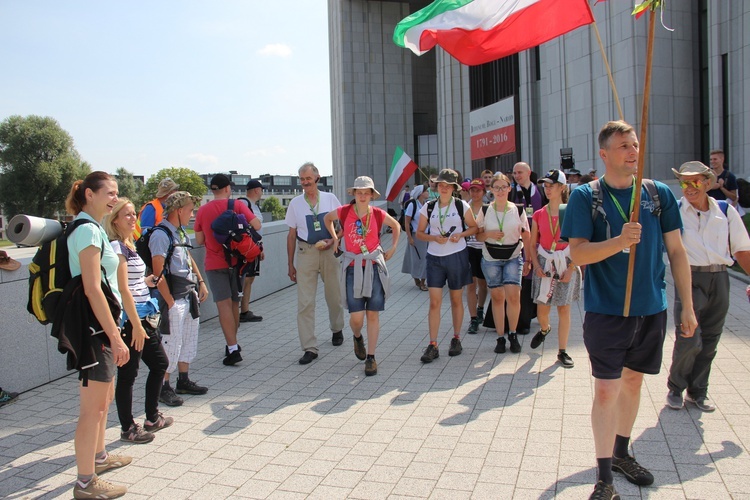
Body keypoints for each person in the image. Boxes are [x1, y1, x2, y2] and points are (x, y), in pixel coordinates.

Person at [561, 120, 697, 500]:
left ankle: (622, 453)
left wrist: (686, 306)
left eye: (634, 144)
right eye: (623, 146)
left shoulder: (656, 194)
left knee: (634, 383)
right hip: (607, 311)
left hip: (651, 308)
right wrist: (619, 240)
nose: (632, 151)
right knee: (607, 390)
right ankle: (604, 477)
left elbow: (677, 251)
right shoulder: (585, 197)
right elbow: (578, 253)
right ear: (604, 154)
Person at [65, 171, 131, 499]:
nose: (114, 198)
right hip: (94, 330)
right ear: (89, 194)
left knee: (103, 402)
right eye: (109, 193)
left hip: (101, 327)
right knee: (92, 409)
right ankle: (85, 482)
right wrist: (115, 337)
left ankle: (100, 458)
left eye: (116, 193)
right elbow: (93, 289)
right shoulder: (87, 230)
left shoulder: (92, 228)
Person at [666, 161, 750, 412]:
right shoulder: (676, 211)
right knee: (689, 336)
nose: (689, 187)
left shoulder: (724, 211)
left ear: (707, 183)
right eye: (684, 182)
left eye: (694, 181)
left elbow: (742, 248)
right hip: (689, 278)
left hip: (720, 278)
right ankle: (675, 387)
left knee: (711, 338)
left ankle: (698, 391)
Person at [104, 199, 173, 444]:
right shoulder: (116, 247)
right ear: (114, 220)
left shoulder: (127, 245)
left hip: (143, 315)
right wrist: (134, 324)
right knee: (128, 374)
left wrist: (147, 281)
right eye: (126, 215)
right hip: (132, 320)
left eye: (134, 214)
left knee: (159, 363)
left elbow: (131, 283)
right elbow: (122, 290)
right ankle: (128, 428)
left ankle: (152, 417)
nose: (132, 218)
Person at [324, 176, 401, 376]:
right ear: (354, 194)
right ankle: (357, 337)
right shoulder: (344, 211)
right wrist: (335, 238)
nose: (363, 195)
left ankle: (371, 357)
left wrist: (393, 248)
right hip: (352, 266)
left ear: (372, 195)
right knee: (356, 318)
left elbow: (396, 226)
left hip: (373, 265)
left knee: (372, 314)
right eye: (359, 192)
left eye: (367, 192)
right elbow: (327, 219)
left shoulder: (377, 213)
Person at [194, 174, 260, 366]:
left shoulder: (203, 210)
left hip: (214, 264)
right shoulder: (237, 205)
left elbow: (199, 240)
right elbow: (257, 225)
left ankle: (232, 347)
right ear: (228, 188)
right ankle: (232, 343)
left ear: (213, 190)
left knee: (223, 306)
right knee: (234, 305)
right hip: (237, 263)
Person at [152, 191, 210, 406]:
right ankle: (163, 386)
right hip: (174, 296)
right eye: (190, 209)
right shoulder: (161, 235)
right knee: (170, 342)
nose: (192, 213)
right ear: (178, 210)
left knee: (188, 338)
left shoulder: (180, 233)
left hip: (189, 293)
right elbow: (158, 271)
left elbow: (188, 257)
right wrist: (169, 301)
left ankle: (183, 380)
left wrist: (201, 282)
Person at [415, 169, 478, 363]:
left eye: (447, 185)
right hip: (434, 258)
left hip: (457, 256)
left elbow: (474, 227)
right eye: (440, 184)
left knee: (456, 300)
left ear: (453, 188)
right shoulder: (429, 207)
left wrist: (462, 235)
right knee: (434, 302)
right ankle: (433, 344)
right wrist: (433, 237)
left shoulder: (461, 206)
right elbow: (419, 233)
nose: (443, 188)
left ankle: (456, 338)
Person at [285, 162, 345, 364]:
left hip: (329, 252)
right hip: (306, 253)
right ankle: (309, 347)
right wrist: (290, 264)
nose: (305, 183)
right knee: (305, 303)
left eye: (308, 179)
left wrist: (334, 239)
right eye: (302, 179)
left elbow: (345, 224)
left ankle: (337, 328)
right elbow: (291, 235)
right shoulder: (295, 204)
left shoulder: (330, 199)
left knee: (334, 295)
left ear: (317, 178)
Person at [527, 170, 580, 368]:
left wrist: (572, 267)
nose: (547, 189)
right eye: (545, 185)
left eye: (552, 185)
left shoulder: (571, 212)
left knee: (564, 308)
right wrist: (536, 265)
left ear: (562, 188)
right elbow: (532, 244)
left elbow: (579, 242)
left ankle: (562, 351)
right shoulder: (540, 213)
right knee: (543, 307)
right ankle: (544, 329)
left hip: (566, 260)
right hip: (546, 260)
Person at [476, 173, 531, 354]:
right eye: (496, 187)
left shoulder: (518, 209)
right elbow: (478, 235)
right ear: (491, 190)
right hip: (491, 257)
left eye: (503, 187)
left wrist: (529, 259)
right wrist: (489, 234)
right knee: (498, 298)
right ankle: (500, 337)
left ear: (509, 188)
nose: (500, 191)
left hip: (514, 256)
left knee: (514, 296)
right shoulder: (485, 210)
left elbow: (527, 235)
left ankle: (512, 334)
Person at [509, 162, 547, 335]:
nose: (517, 176)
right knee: (521, 279)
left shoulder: (540, 190)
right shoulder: (510, 192)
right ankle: (520, 321)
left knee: (536, 277)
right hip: (518, 240)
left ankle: (536, 314)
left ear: (529, 172)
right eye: (515, 173)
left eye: (520, 172)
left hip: (539, 240)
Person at [237, 179, 265, 323]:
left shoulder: (253, 205)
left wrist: (260, 246)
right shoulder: (243, 203)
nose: (262, 192)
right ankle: (238, 310)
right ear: (256, 190)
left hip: (253, 247)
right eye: (261, 189)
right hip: (246, 249)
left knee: (250, 278)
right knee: (244, 278)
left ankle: (245, 310)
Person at [465, 179, 488, 334]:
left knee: (483, 284)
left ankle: (480, 308)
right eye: (472, 190)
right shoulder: (465, 207)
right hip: (468, 248)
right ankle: (473, 319)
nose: (475, 193)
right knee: (470, 284)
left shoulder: (488, 208)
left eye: (478, 190)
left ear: (484, 192)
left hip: (484, 249)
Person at [401, 184, 429, 291]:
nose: (428, 193)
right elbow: (407, 222)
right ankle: (419, 281)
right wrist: (409, 237)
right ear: (421, 193)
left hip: (426, 236)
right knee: (418, 259)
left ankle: (422, 281)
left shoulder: (426, 204)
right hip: (416, 236)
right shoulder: (413, 205)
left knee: (426, 259)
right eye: (426, 191)